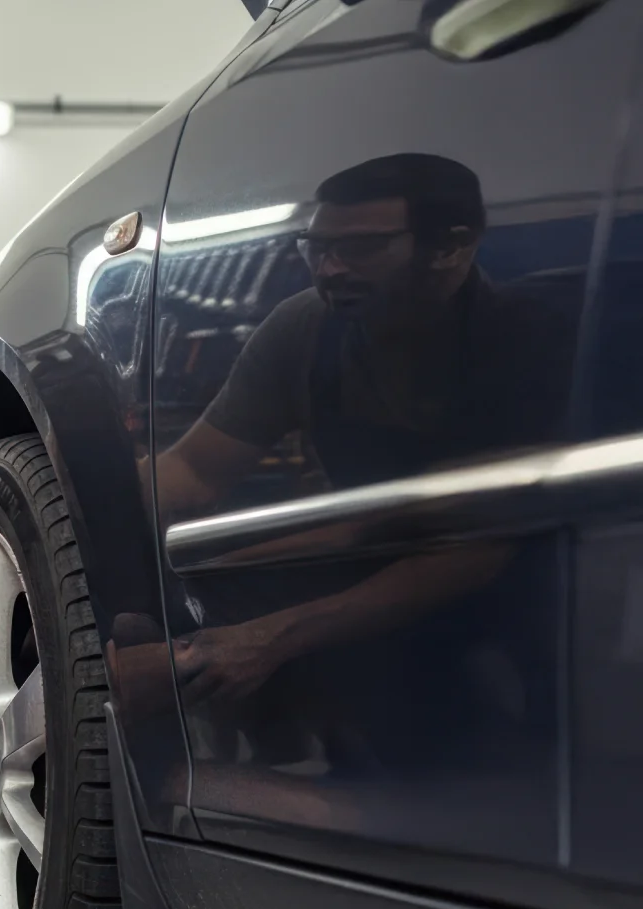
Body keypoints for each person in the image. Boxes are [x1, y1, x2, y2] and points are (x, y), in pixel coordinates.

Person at [143, 153, 573, 768]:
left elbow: (479, 548)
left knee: (454, 770)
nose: (330, 268)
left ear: (452, 248)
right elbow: (194, 472)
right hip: (365, 564)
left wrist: (270, 638)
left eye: (361, 247)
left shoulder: (526, 339)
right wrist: (78, 524)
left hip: (496, 599)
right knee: (156, 617)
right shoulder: (306, 329)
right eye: (316, 248)